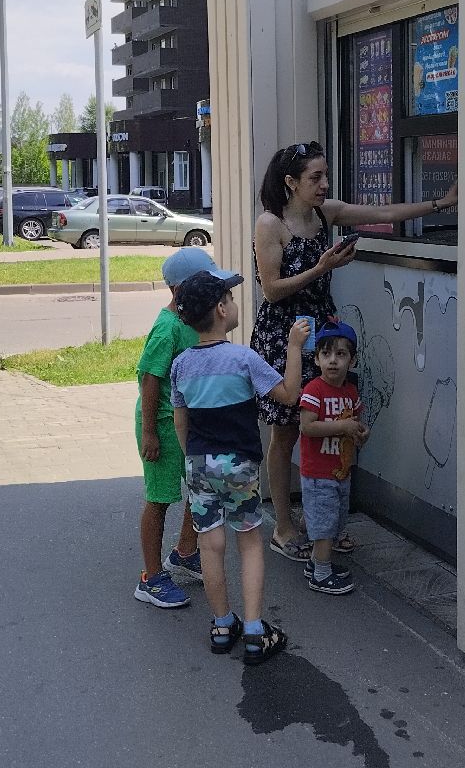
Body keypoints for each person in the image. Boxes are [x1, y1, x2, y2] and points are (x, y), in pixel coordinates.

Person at [250, 140, 456, 561]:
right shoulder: (270, 224)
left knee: (330, 422)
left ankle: (323, 523)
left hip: (323, 337)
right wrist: (321, 268)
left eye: (326, 175)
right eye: (315, 178)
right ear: (291, 182)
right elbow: (271, 291)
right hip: (285, 338)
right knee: (286, 432)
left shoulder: (325, 214)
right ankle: (283, 527)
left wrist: (440, 204)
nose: (325, 184)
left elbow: (384, 214)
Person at [170, 268, 308, 665]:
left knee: (210, 546)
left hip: (199, 465)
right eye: (229, 299)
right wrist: (294, 346)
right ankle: (253, 631)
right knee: (249, 544)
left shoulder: (181, 365)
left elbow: (181, 421)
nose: (233, 304)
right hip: (240, 466)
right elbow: (289, 395)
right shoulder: (243, 358)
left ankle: (220, 625)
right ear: (221, 309)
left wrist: (194, 459)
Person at [131, 248, 220, 610]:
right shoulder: (167, 328)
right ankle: (151, 578)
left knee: (198, 487)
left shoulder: (191, 321)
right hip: (163, 427)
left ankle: (185, 552)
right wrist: (150, 433)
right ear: (181, 289)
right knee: (160, 498)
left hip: (185, 425)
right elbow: (149, 379)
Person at [298, 320, 369, 595]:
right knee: (324, 525)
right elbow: (307, 427)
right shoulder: (314, 390)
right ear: (316, 359)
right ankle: (321, 574)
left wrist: (361, 432)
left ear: (352, 360)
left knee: (336, 520)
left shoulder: (350, 392)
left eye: (341, 354)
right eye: (326, 354)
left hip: (340, 470)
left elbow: (355, 422)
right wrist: (342, 427)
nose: (333, 360)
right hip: (318, 474)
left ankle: (316, 563)